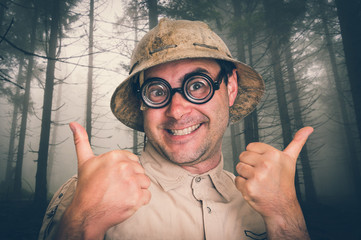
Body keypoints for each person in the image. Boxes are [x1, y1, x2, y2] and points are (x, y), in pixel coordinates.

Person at [38, 18, 313, 240]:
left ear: (230, 88)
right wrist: (83, 221)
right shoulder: (90, 194)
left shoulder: (266, 199)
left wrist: (285, 217)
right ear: (141, 102)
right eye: (157, 91)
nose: (177, 111)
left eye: (197, 85)